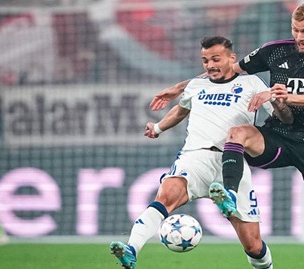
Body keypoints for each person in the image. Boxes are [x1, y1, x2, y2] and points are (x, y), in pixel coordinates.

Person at [150, 3, 304, 269]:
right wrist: (179, 88)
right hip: (279, 134)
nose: (300, 37)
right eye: (295, 30)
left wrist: (279, 95)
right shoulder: (275, 51)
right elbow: (225, 69)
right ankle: (229, 194)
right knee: (237, 134)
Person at [109, 36, 293, 269]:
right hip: (195, 157)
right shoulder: (196, 86)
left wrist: (278, 101)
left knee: (253, 246)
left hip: (232, 162)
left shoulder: (252, 84)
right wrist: (157, 128)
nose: (210, 65)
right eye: (205, 60)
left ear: (232, 58)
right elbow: (180, 111)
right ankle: (131, 250)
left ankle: (234, 205)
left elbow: (285, 119)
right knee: (164, 197)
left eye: (216, 59)